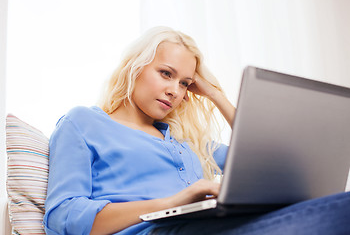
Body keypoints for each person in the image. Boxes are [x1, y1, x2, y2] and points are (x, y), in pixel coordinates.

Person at [43, 27, 350, 235]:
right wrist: (171, 203)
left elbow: (275, 164)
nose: (175, 91)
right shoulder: (82, 123)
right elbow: (62, 217)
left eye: (185, 83)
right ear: (134, 68)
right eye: (166, 74)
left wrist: (216, 95)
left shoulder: (185, 141)